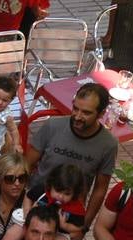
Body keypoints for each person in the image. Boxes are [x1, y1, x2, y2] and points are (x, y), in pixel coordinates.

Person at [23, 82, 117, 222]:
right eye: (75, 108)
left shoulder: (108, 144)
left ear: (101, 113)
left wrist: (84, 226)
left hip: (69, 216)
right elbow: (27, 164)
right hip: (35, 202)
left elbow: (100, 189)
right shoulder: (52, 126)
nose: (78, 116)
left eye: (86, 113)